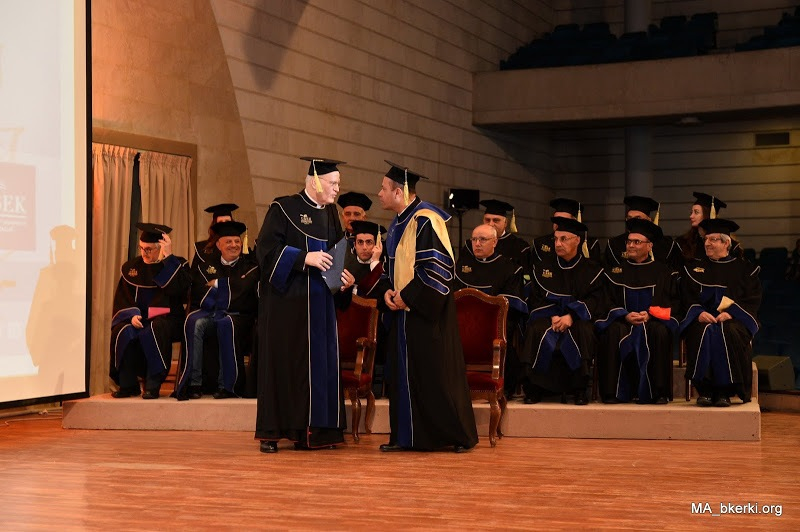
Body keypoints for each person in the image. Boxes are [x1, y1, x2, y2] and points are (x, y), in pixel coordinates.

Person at [254, 157, 355, 453]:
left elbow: (338, 255)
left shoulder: (331, 214)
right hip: (288, 306)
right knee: (285, 366)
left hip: (321, 305)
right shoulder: (282, 208)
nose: (337, 189)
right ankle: (273, 433)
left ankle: (318, 433)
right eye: (333, 183)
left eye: (338, 183)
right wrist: (302, 258)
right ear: (315, 182)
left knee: (321, 368)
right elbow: (265, 252)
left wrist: (345, 279)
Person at [376, 160, 478, 453]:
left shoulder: (426, 220)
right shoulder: (397, 222)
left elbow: (437, 268)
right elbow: (389, 268)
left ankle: (456, 436)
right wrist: (387, 293)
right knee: (403, 377)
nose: (379, 194)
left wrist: (407, 297)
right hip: (402, 314)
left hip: (425, 314)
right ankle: (406, 437)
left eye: (383, 188)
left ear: (399, 192)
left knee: (434, 377)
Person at [595, 218, 679, 404]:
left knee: (659, 331)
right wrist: (624, 315)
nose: (631, 245)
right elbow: (605, 301)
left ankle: (657, 393)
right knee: (613, 331)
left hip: (652, 320)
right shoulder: (614, 272)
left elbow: (671, 302)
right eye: (629, 241)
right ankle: (614, 393)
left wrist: (650, 314)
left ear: (649, 246)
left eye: (637, 242)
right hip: (623, 321)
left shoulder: (664, 272)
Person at [679, 218, 762, 407]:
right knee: (703, 331)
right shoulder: (694, 269)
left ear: (726, 243)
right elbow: (686, 298)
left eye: (713, 239)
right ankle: (705, 391)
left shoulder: (744, 269)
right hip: (703, 319)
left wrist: (732, 313)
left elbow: (752, 299)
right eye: (706, 239)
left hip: (734, 319)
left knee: (727, 331)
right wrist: (698, 313)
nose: (707, 243)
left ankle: (725, 391)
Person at [522, 217, 604, 405]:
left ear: (578, 240)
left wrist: (571, 316)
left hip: (577, 318)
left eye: (563, 239)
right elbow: (536, 298)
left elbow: (595, 300)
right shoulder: (542, 268)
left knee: (583, 331)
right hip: (548, 316)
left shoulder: (592, 270)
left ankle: (579, 389)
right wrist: (553, 315)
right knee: (536, 329)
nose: (558, 244)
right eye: (556, 239)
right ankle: (535, 388)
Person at [175, 220, 259, 401]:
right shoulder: (205, 266)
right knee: (194, 322)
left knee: (225, 322)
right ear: (219, 245)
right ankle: (194, 383)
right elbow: (199, 291)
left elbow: (245, 292)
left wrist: (218, 284)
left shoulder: (250, 266)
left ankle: (226, 386)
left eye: (237, 241)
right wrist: (231, 288)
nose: (234, 245)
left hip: (239, 319)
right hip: (211, 314)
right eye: (228, 241)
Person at [110, 223, 190, 399]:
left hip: (169, 319)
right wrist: (131, 316)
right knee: (122, 330)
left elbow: (179, 290)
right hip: (139, 318)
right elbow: (123, 298)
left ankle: (153, 385)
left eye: (148, 249)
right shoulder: (132, 268)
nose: (144, 253)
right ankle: (128, 385)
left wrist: (168, 258)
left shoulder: (176, 264)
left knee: (155, 328)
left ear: (160, 247)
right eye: (141, 248)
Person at [455, 223, 527, 398]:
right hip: (463, 321)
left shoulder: (510, 268)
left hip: (496, 321)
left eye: (482, 239)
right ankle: (454, 383)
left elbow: (512, 302)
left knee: (501, 333)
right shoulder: (460, 267)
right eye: (474, 239)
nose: (477, 244)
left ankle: (503, 385)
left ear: (494, 242)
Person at [604, 195, 681, 270]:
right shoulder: (615, 244)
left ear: (649, 220)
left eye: (638, 218)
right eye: (629, 218)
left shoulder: (667, 245)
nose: (633, 221)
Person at [531, 198, 601, 265]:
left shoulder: (588, 244)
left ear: (574, 221)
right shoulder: (540, 243)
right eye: (556, 220)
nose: (558, 223)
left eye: (563, 220)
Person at [675, 192, 727, 262]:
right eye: (691, 212)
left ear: (708, 214)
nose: (691, 216)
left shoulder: (725, 242)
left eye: (696, 212)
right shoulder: (683, 242)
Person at [478, 199, 530, 267]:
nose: (491, 224)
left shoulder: (519, 246)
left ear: (505, 223)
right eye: (487, 220)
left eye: (496, 220)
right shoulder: (472, 245)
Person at [344, 220, 385, 294]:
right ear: (355, 245)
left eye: (369, 242)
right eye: (360, 242)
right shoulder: (345, 266)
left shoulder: (384, 267)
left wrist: (375, 261)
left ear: (376, 245)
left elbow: (382, 292)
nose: (364, 247)